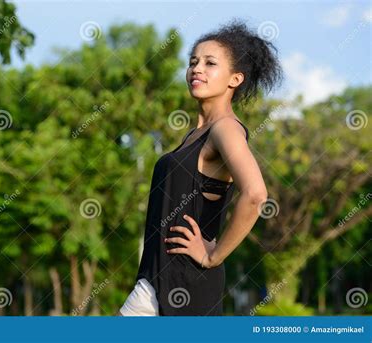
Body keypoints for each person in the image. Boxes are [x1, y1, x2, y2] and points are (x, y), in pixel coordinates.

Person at [118, 18, 283, 316]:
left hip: (188, 282)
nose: (197, 69)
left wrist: (213, 257)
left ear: (235, 79)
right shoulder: (194, 135)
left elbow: (256, 195)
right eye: (193, 61)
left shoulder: (226, 129)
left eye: (210, 63)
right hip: (157, 280)